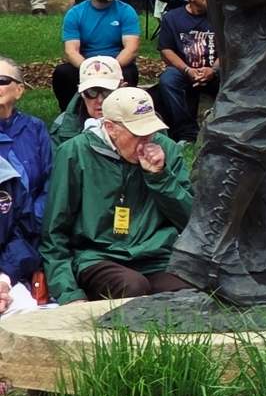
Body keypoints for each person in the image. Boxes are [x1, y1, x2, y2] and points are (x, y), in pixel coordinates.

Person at [42, 87, 192, 302]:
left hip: (157, 256)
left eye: (150, 131)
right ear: (111, 128)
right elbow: (54, 230)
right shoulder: (74, 153)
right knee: (132, 288)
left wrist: (160, 178)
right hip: (98, 257)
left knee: (192, 293)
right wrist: (68, 293)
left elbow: (190, 220)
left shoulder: (166, 149)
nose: (147, 140)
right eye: (137, 133)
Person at [54, 0, 141, 109]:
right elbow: (71, 51)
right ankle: (70, 115)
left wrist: (110, 69)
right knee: (62, 73)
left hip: (117, 64)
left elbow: (131, 49)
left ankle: (121, 114)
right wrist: (89, 70)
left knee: (129, 73)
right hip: (85, 64)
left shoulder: (126, 11)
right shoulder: (75, 14)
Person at [152, 0, 219, 141]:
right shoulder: (172, 18)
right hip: (184, 70)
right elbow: (166, 50)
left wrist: (213, 69)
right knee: (168, 79)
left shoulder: (221, 18)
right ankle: (187, 131)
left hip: (215, 70)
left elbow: (229, 50)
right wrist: (188, 70)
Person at [0, 55, 52, 247]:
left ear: (19, 90)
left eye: (2, 81)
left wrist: (32, 223)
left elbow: (50, 182)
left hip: (32, 233)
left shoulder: (35, 128)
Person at [52, 58, 123, 147]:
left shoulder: (141, 119)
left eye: (107, 92)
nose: (100, 100)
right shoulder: (63, 126)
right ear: (81, 93)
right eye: (91, 92)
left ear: (122, 89)